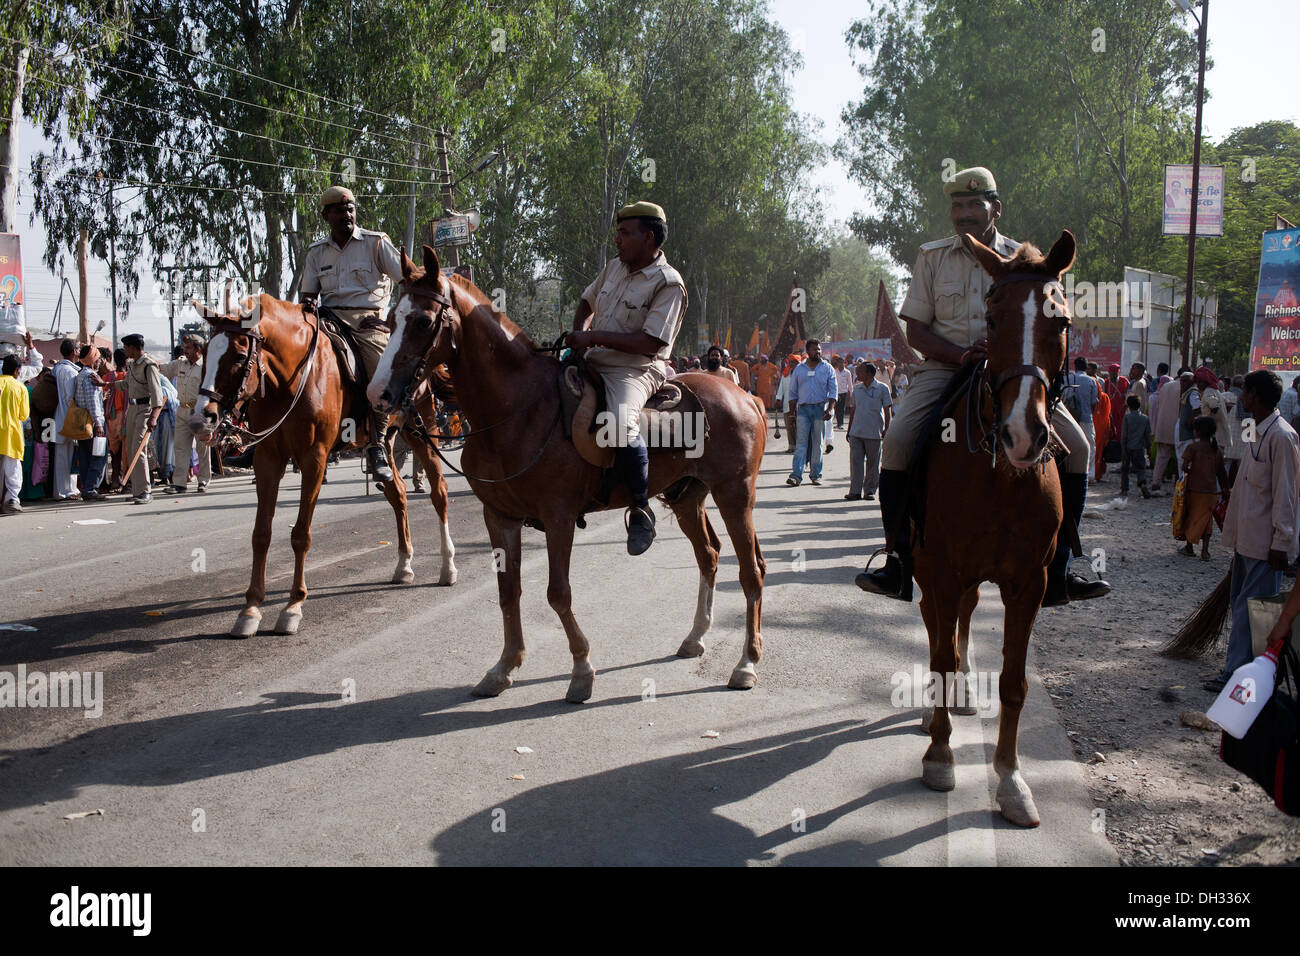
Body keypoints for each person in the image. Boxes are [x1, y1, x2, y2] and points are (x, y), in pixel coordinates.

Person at [854, 165, 1107, 605]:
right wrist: (960, 355)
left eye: (974, 205)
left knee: (1079, 448)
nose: (964, 213)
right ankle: (898, 562)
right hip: (945, 370)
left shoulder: (1025, 260)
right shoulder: (932, 257)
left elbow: (1050, 324)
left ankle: (1062, 566)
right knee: (896, 441)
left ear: (995, 208)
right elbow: (916, 332)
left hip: (1011, 373)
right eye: (957, 205)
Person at [568, 201, 686, 555]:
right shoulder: (614, 267)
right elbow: (587, 302)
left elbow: (651, 342)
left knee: (619, 423)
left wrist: (591, 338)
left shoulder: (669, 283)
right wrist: (578, 334)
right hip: (593, 357)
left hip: (636, 368)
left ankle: (640, 509)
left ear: (648, 237)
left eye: (624, 233)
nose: (617, 240)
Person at [299, 185, 403, 485]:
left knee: (379, 374)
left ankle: (378, 444)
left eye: (350, 208)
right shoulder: (317, 252)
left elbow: (409, 278)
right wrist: (306, 312)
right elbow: (308, 294)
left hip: (367, 322)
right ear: (325, 215)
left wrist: (392, 320)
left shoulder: (375, 243)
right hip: (328, 319)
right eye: (338, 209)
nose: (346, 214)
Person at [1205, 370, 1300, 692]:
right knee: (1242, 605)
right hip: (1246, 539)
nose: (1240, 395)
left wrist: (1282, 542)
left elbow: (1286, 493)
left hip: (1265, 544)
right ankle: (1244, 670)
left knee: (1253, 611)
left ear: (1255, 395)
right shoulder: (1257, 431)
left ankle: (1240, 675)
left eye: (1244, 390)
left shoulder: (1282, 437)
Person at [113, 333, 166, 504]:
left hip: (145, 409)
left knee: (138, 449)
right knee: (130, 449)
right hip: (132, 409)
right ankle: (137, 490)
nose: (125, 350)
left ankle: (145, 491)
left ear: (134, 348)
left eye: (126, 347)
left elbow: (157, 395)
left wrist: (153, 417)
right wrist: (105, 384)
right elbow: (126, 384)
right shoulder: (132, 365)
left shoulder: (149, 365)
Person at [159, 334, 211, 494]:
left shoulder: (206, 367)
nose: (185, 351)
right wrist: (150, 364)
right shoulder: (180, 363)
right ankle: (179, 483)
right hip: (182, 410)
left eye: (188, 348)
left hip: (200, 411)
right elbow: (163, 369)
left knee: (202, 447)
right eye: (184, 348)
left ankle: (203, 480)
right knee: (180, 448)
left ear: (198, 349)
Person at [785, 338, 837, 486]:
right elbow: (793, 393)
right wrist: (792, 413)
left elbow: (833, 392)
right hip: (803, 410)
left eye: (819, 349)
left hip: (820, 409)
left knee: (818, 443)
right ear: (807, 352)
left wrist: (830, 409)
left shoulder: (827, 368)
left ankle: (815, 475)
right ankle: (796, 475)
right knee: (801, 444)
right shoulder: (799, 369)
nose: (818, 352)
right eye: (815, 349)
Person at [1179, 416, 1229, 561]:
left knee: (1191, 517)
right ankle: (1205, 551)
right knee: (1207, 521)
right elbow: (1221, 472)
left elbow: (1184, 467)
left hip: (1194, 489)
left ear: (1198, 432)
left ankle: (1189, 546)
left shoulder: (1192, 448)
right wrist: (1225, 489)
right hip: (1211, 492)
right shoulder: (1216, 450)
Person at [845, 361, 892, 500]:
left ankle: (870, 490)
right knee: (855, 462)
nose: (857, 373)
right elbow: (853, 410)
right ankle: (855, 491)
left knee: (873, 463)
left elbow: (887, 410)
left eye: (860, 371)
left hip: (874, 432)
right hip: (856, 432)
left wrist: (887, 429)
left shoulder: (882, 388)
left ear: (869, 374)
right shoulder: (857, 389)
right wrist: (849, 430)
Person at [73, 345, 108, 500]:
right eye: (98, 357)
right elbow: (92, 401)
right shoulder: (90, 376)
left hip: (82, 422)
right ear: (94, 359)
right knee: (99, 455)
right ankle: (91, 488)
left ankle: (87, 488)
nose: (100, 361)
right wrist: (98, 423)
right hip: (93, 422)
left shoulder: (80, 375)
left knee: (86, 456)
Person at [0, 354, 29, 514]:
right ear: (17, 370)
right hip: (10, 433)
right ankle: (11, 499)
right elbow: (23, 415)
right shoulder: (19, 387)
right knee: (12, 469)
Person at [51, 338, 80, 501]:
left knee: (65, 455)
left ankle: (66, 490)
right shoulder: (69, 371)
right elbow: (71, 397)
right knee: (67, 456)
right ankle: (65, 491)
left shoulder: (59, 369)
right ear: (74, 352)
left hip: (62, 416)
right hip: (68, 417)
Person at [1150, 369, 1186, 494]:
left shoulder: (1165, 386)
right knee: (1182, 457)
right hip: (1178, 427)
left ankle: (1156, 482)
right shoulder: (1186, 388)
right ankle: (1180, 483)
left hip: (1162, 425)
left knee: (1161, 457)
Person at [1065, 356, 1099, 478]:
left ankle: (1069, 472)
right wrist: (1089, 413)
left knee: (1068, 445)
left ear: (1075, 366)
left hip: (1069, 418)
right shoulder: (1091, 381)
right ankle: (1089, 474)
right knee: (1090, 446)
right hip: (1086, 418)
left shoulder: (1068, 378)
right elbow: (1094, 402)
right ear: (1086, 367)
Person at [1118, 394, 1151, 499]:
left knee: (1125, 469)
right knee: (1141, 468)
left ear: (1128, 406)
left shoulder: (1127, 418)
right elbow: (1147, 435)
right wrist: (1148, 449)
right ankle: (1142, 483)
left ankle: (1124, 489)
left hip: (1128, 447)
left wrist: (1122, 448)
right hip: (1139, 447)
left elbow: (1124, 434)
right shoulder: (1145, 418)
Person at [774, 357, 797, 452]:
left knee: (799, 427)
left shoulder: (802, 374)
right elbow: (781, 388)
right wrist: (778, 398)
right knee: (789, 426)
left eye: (794, 362)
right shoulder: (785, 375)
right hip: (787, 404)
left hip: (799, 405)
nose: (792, 364)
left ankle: (800, 446)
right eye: (791, 362)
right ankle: (791, 446)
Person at [832, 355, 852, 430]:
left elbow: (850, 384)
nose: (840, 364)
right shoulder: (834, 372)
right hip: (836, 392)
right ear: (837, 364)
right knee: (837, 408)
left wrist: (851, 394)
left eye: (841, 362)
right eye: (838, 363)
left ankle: (841, 423)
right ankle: (838, 423)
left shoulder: (847, 372)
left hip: (843, 393)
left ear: (844, 363)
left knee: (842, 408)